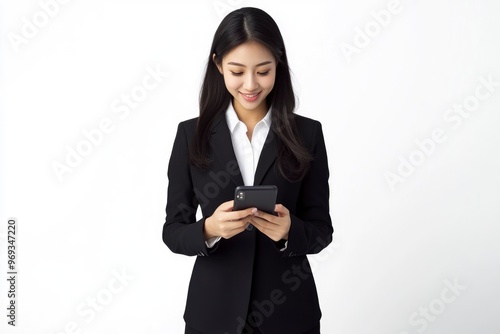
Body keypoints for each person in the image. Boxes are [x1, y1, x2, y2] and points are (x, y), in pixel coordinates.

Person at [162, 7, 333, 334]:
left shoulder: (308, 134)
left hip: (290, 315)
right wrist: (209, 229)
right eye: (237, 71)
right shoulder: (191, 135)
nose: (251, 84)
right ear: (218, 65)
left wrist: (288, 232)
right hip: (213, 315)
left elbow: (321, 229)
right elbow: (173, 230)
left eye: (263, 71)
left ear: (278, 65)